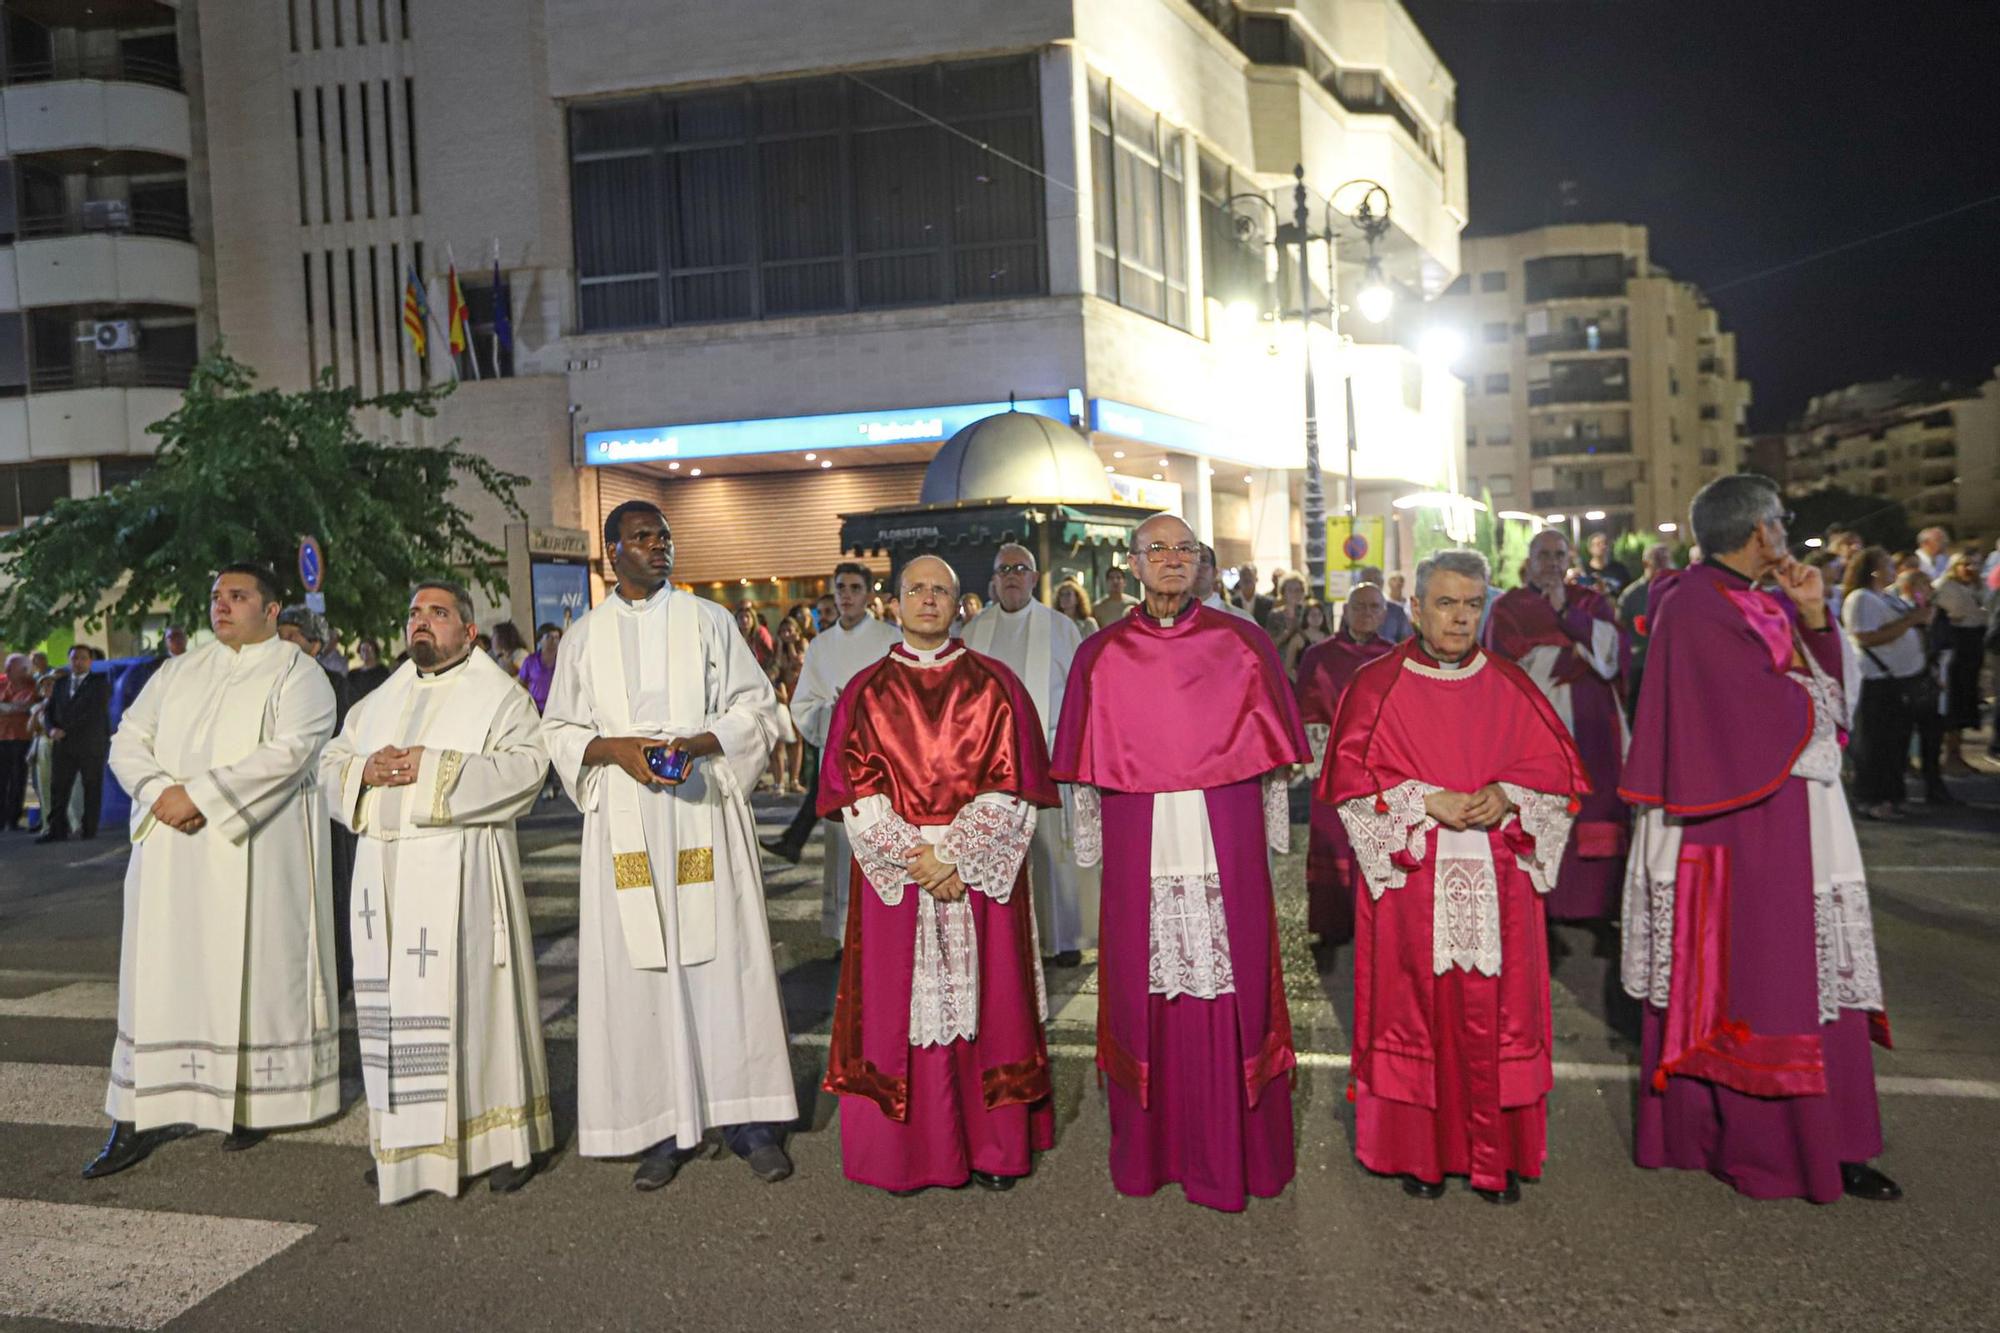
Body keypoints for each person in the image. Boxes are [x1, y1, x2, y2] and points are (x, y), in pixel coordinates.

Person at [1622, 474, 1896, 1204]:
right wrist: (1812, 690)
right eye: (1780, 519)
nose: (1785, 531)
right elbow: (1759, 716)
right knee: (1769, 985)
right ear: (1755, 531)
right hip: (1738, 824)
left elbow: (1828, 702)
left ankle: (1837, 1140)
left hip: (1792, 811)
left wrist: (1812, 617)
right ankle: (1777, 1148)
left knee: (1811, 980)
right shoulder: (1693, 606)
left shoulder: (1763, 598)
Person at [1052, 513, 1310, 1212]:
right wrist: (1091, 840)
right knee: (1146, 990)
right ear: (1133, 564)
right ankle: (1149, 1155)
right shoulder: (1099, 654)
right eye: (1156, 549)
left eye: (1184, 549)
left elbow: (1272, 770)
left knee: (1236, 988)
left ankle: (1239, 1153)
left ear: (1201, 564)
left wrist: (1266, 832)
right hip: (1145, 840)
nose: (1171, 560)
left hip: (1220, 836)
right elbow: (1081, 772)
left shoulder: (1243, 643)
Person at [540, 501, 797, 1190]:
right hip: (627, 817)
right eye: (643, 537)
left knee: (727, 963)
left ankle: (749, 1121)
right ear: (611, 551)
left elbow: (757, 707)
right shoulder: (585, 638)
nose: (660, 547)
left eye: (666, 537)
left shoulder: (709, 621)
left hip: (701, 807)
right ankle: (658, 1124)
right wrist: (616, 749)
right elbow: (559, 729)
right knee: (640, 975)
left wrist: (698, 741)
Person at [1323, 549, 1585, 1204]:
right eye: (1445, 603)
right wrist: (1419, 799)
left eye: (1472, 604)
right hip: (1415, 880)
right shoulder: (1376, 685)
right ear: (1414, 607)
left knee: (1497, 1017)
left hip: (1499, 882)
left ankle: (1498, 1155)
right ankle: (1420, 1152)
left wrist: (1511, 794)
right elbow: (1352, 788)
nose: (1459, 617)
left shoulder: (1511, 682)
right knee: (1419, 1013)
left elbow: (1558, 779)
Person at [85, 563, 339, 1178]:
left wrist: (199, 796)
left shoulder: (298, 673)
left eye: (237, 596)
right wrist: (157, 791)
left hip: (249, 847)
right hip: (170, 850)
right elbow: (128, 740)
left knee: (251, 971)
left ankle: (255, 1098)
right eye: (215, 597)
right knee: (158, 977)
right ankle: (139, 1113)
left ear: (272, 610)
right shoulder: (177, 670)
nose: (221, 606)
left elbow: (293, 750)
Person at [818, 554, 1058, 1193]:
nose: (928, 599)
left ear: (960, 604)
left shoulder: (996, 684)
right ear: (893, 603)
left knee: (991, 1002)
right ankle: (905, 1154)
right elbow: (855, 796)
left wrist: (955, 854)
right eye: (915, 589)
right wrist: (918, 859)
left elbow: (1013, 784)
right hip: (901, 869)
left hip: (975, 864)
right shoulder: (865, 691)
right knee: (902, 1011)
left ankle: (993, 1147)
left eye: (941, 589)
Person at [322, 581, 555, 1203]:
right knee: (396, 1016)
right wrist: (361, 771)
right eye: (414, 613)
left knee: (476, 1008)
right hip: (386, 886)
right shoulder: (378, 700)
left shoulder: (500, 696)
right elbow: (331, 763)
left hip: (464, 878)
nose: (420, 621)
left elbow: (529, 768)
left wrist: (436, 768)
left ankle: (500, 1142)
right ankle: (407, 1145)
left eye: (438, 612)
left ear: (469, 631)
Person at [964, 545, 1099, 968]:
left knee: (1054, 851)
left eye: (1020, 569)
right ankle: (1007, 941)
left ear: (1034, 576)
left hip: (1049, 756)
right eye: (1004, 569)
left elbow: (1082, 695)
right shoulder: (973, 632)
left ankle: (1065, 938)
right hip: (990, 765)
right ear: (993, 578)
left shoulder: (1060, 628)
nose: (1011, 576)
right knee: (998, 852)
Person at [1483, 529, 1629, 921]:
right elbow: (1499, 666)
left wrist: (1566, 613)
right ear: (1529, 560)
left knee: (1595, 803)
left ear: (1570, 559)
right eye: (1543, 555)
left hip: (1591, 718)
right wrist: (1566, 648)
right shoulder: (1508, 607)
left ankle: (1597, 902)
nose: (1551, 562)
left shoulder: (1590, 601)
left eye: (1558, 554)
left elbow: (1613, 651)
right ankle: (1541, 901)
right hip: (1536, 718)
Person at [762, 563, 900, 929]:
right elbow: (803, 705)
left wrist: (864, 707)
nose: (847, 595)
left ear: (869, 594)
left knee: (883, 844)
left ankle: (883, 926)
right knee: (841, 848)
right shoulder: (821, 645)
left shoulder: (890, 638)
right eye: (841, 588)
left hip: (884, 764)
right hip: (839, 761)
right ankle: (844, 931)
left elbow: (905, 702)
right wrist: (832, 710)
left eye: (855, 588)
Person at [1294, 583, 1395, 948]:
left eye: (1374, 607)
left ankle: (1379, 921)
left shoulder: (1394, 657)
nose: (1367, 613)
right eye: (1360, 606)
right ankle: (1334, 920)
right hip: (1333, 767)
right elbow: (1304, 707)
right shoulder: (1319, 656)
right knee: (1333, 844)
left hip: (1379, 768)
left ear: (1385, 614)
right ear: (1346, 612)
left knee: (1378, 842)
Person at [1840, 547, 1935, 819]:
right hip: (1878, 680)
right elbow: (1866, 637)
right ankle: (1872, 798)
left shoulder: (1886, 598)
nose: (1894, 570)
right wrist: (1910, 622)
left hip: (1899, 680)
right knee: (1875, 744)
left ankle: (1893, 795)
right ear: (1872, 570)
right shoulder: (1861, 599)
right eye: (1887, 565)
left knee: (1896, 744)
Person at [36, 644, 111, 843]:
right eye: (74, 658)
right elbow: (50, 711)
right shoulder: (60, 684)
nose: (77, 662)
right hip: (63, 745)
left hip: (89, 744)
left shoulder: (100, 683)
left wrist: (65, 730)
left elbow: (92, 714)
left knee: (91, 787)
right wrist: (51, 728)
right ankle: (56, 829)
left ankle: (88, 829)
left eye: (82, 658)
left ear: (90, 661)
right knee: (58, 788)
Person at [1932, 552, 1987, 774]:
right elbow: (1956, 613)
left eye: (1975, 563)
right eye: (1966, 563)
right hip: (1957, 644)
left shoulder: (1977, 586)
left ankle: (1957, 753)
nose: (1971, 568)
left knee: (1966, 699)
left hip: (1973, 643)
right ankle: (1949, 755)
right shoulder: (1947, 586)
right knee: (1954, 699)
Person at [278, 606, 353, 733]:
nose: (282, 642)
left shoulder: (334, 683)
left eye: (291, 636)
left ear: (315, 647)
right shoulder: (266, 679)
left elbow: (342, 732)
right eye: (279, 636)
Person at [772, 617, 809, 795]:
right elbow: (776, 668)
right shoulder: (778, 648)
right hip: (782, 695)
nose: (786, 634)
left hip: (798, 693)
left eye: (790, 630)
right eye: (783, 631)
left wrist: (791, 644)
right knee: (779, 740)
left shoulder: (802, 643)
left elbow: (799, 662)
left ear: (797, 631)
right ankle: (779, 782)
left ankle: (794, 780)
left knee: (797, 740)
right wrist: (781, 647)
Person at [1194, 544, 1259, 624]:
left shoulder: (1242, 620)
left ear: (1215, 573)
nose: (1197, 567)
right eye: (1190, 561)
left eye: (1204, 560)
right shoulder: (1175, 620)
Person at [1358, 566, 1413, 643]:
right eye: (1368, 581)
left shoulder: (1396, 612)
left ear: (1382, 583)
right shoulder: (1351, 611)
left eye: (1376, 581)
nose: (1372, 585)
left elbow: (1407, 641)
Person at [519, 623, 562, 713]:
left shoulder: (563, 660)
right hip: (536, 709)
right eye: (549, 637)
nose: (554, 641)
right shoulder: (530, 661)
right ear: (540, 640)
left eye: (557, 637)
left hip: (558, 708)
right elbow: (522, 684)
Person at [1577, 531, 1632, 595]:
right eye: (1598, 544)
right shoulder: (1584, 571)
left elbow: (1628, 592)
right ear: (1590, 549)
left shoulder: (1620, 569)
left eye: (1605, 543)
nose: (1603, 546)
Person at [735, 599, 776, 670]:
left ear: (753, 619)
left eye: (747, 616)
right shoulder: (734, 635)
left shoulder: (761, 632)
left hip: (762, 671)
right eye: (741, 617)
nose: (744, 620)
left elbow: (770, 656)